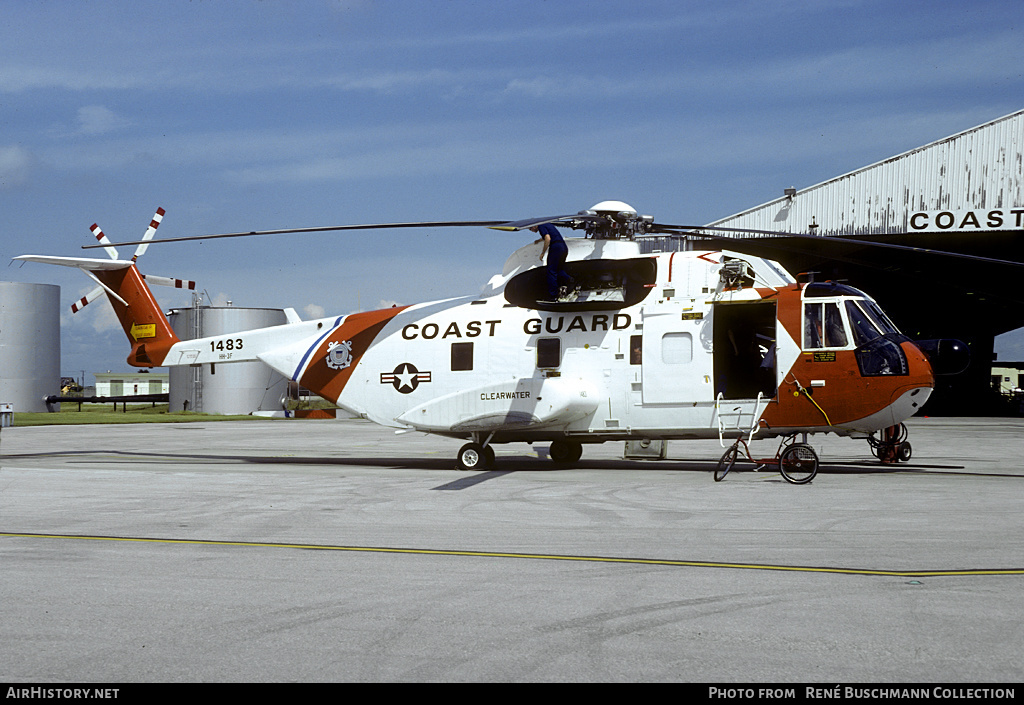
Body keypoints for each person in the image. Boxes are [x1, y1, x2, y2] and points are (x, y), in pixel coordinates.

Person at [530, 223, 573, 300]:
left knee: (551, 271)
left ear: (534, 226)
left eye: (530, 229)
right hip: (563, 247)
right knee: (559, 269)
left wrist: (543, 252)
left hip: (555, 248)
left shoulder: (541, 226)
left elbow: (548, 238)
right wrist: (539, 240)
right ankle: (569, 280)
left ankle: (553, 295)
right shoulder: (548, 225)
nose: (532, 231)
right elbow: (551, 235)